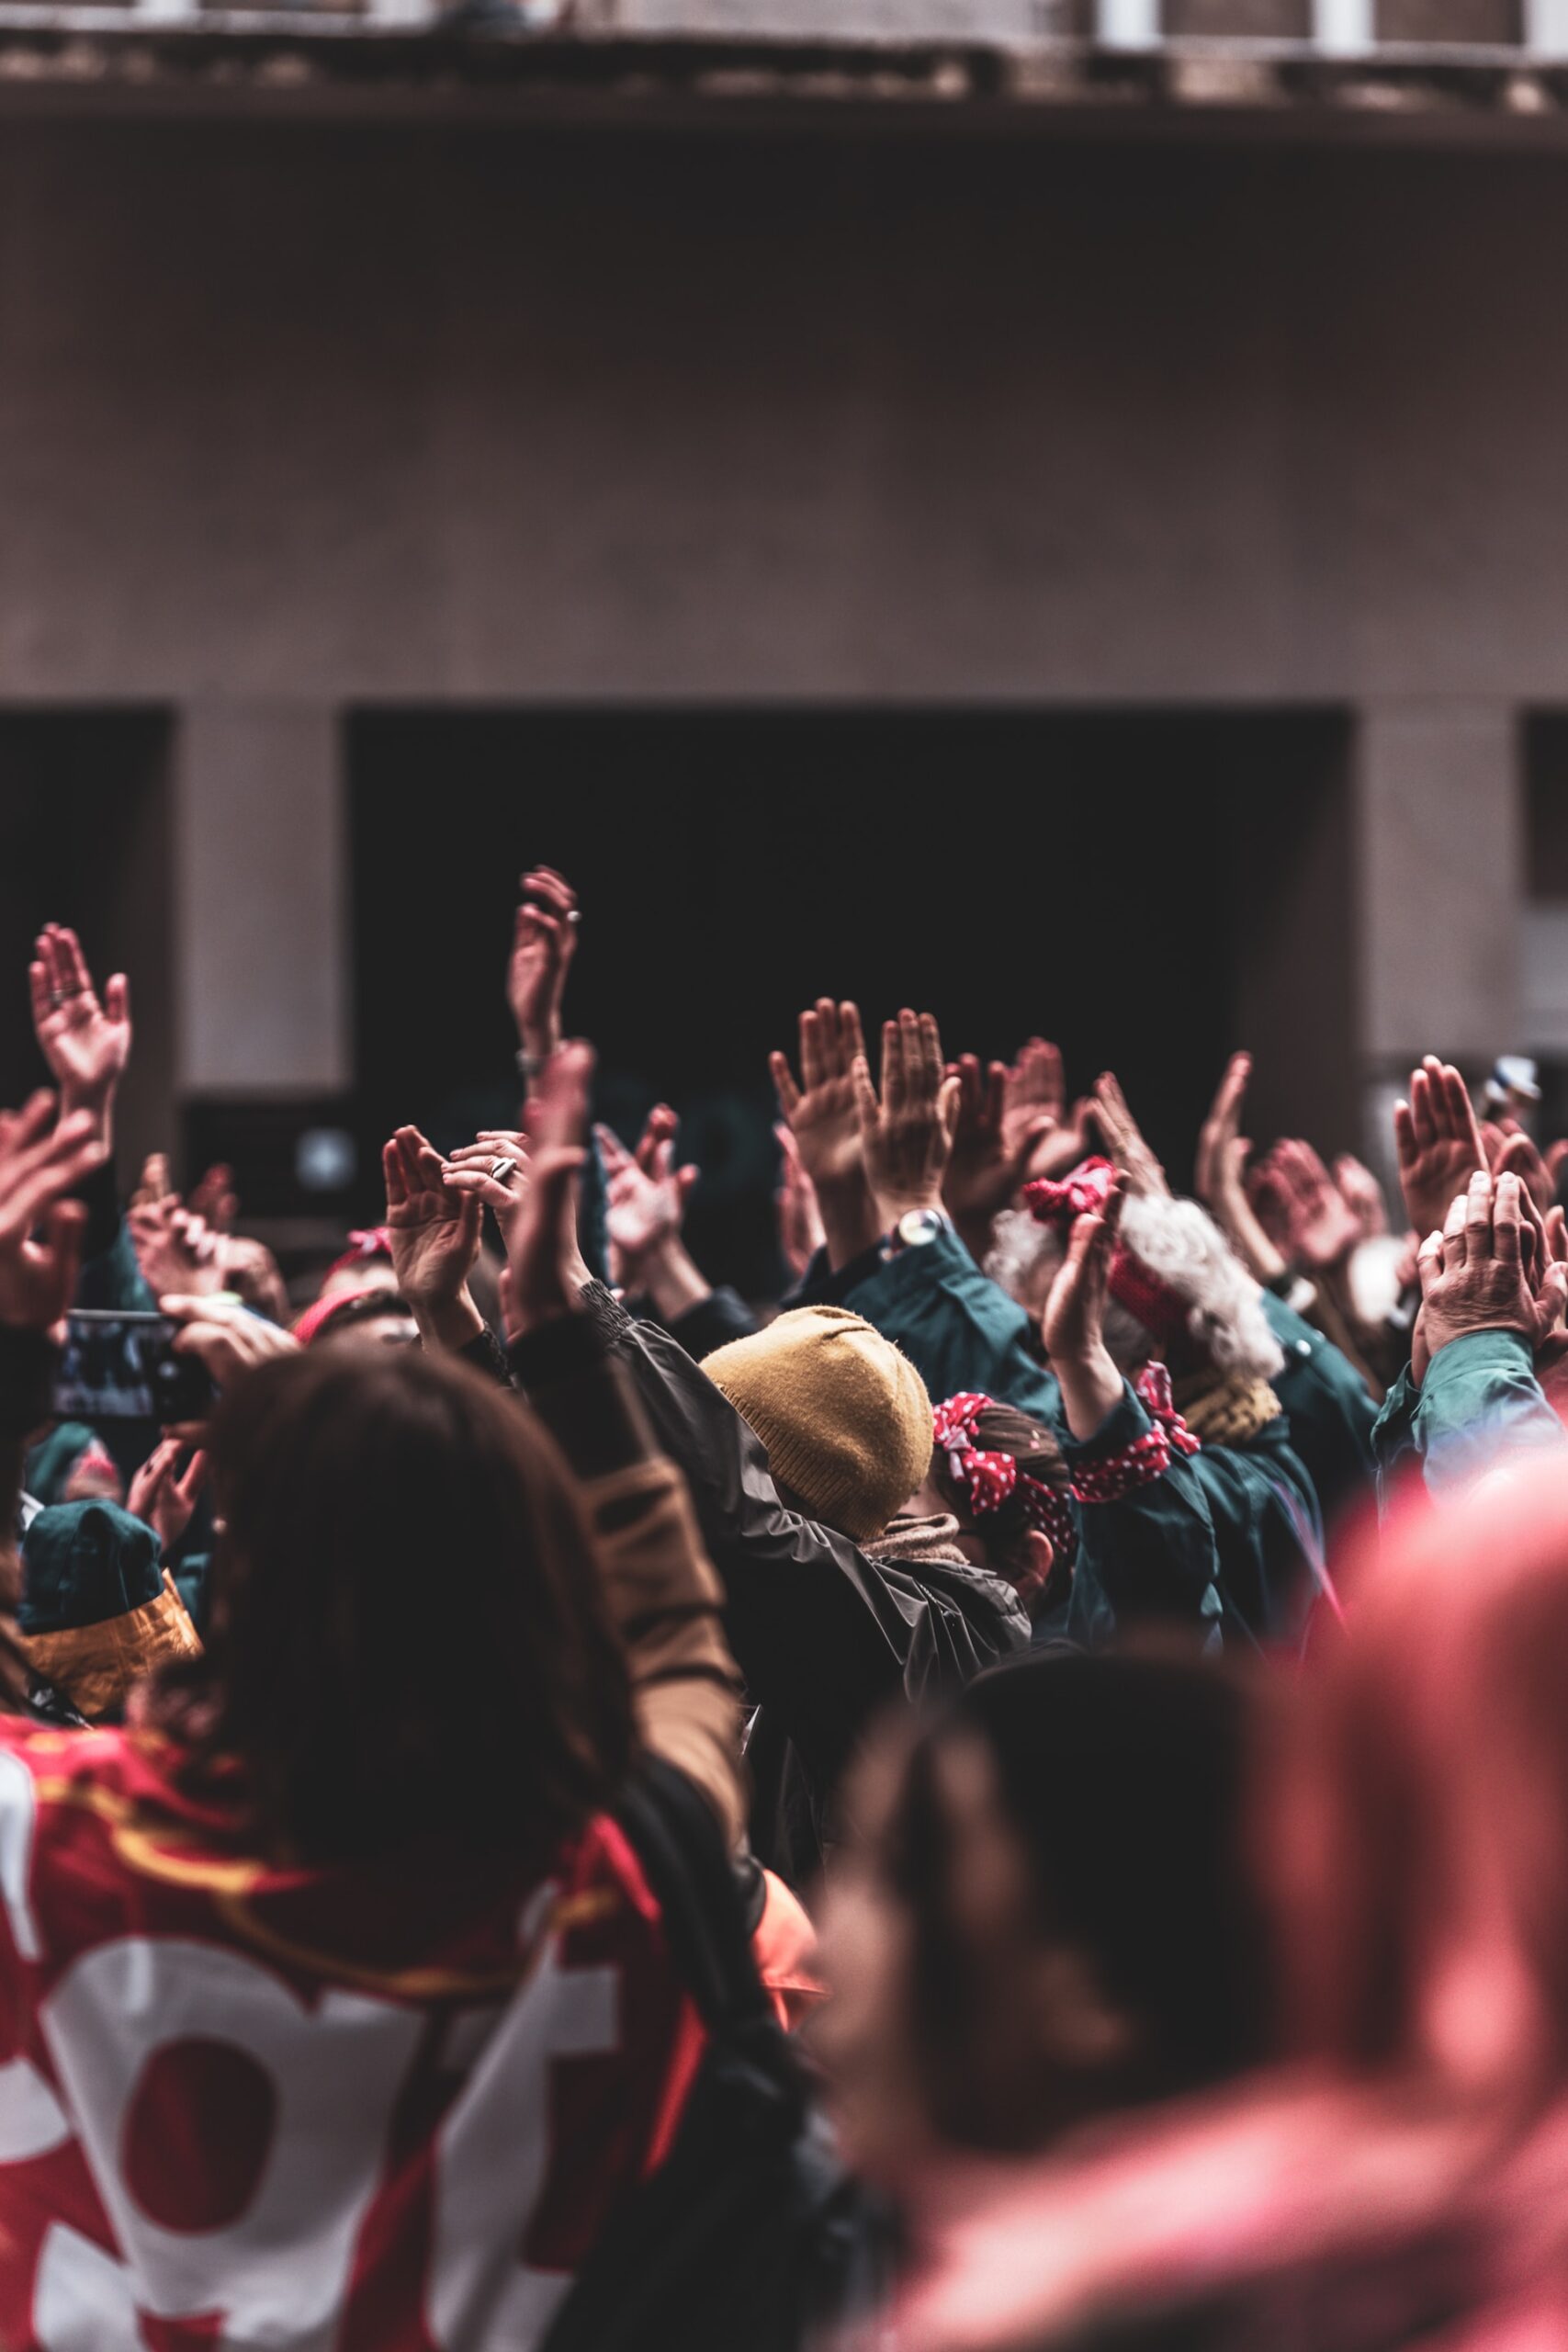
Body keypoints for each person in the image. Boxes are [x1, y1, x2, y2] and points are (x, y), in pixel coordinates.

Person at [0, 1050, 769, 2349]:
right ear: (533, 1581)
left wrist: (18, 1356)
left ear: (241, 1572)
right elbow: (678, 1636)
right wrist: (557, 1333)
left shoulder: (44, 1842)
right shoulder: (621, 1875)